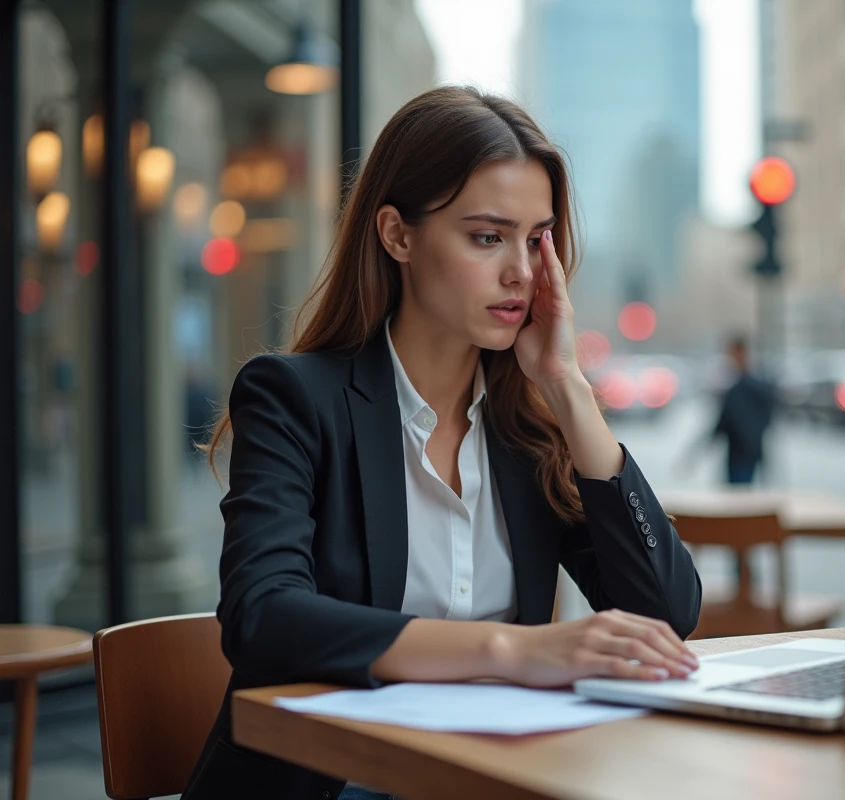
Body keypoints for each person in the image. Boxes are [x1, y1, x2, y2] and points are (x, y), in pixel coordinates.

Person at [181, 87, 702, 800]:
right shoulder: (295, 398)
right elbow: (262, 617)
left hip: (490, 779)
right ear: (397, 235)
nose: (520, 271)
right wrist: (513, 649)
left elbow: (666, 614)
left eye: (536, 238)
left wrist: (568, 388)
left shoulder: (531, 428)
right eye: (488, 237)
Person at [709, 337, 777, 484]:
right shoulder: (753, 382)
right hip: (747, 449)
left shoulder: (744, 386)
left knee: (739, 495)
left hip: (742, 451)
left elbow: (728, 418)